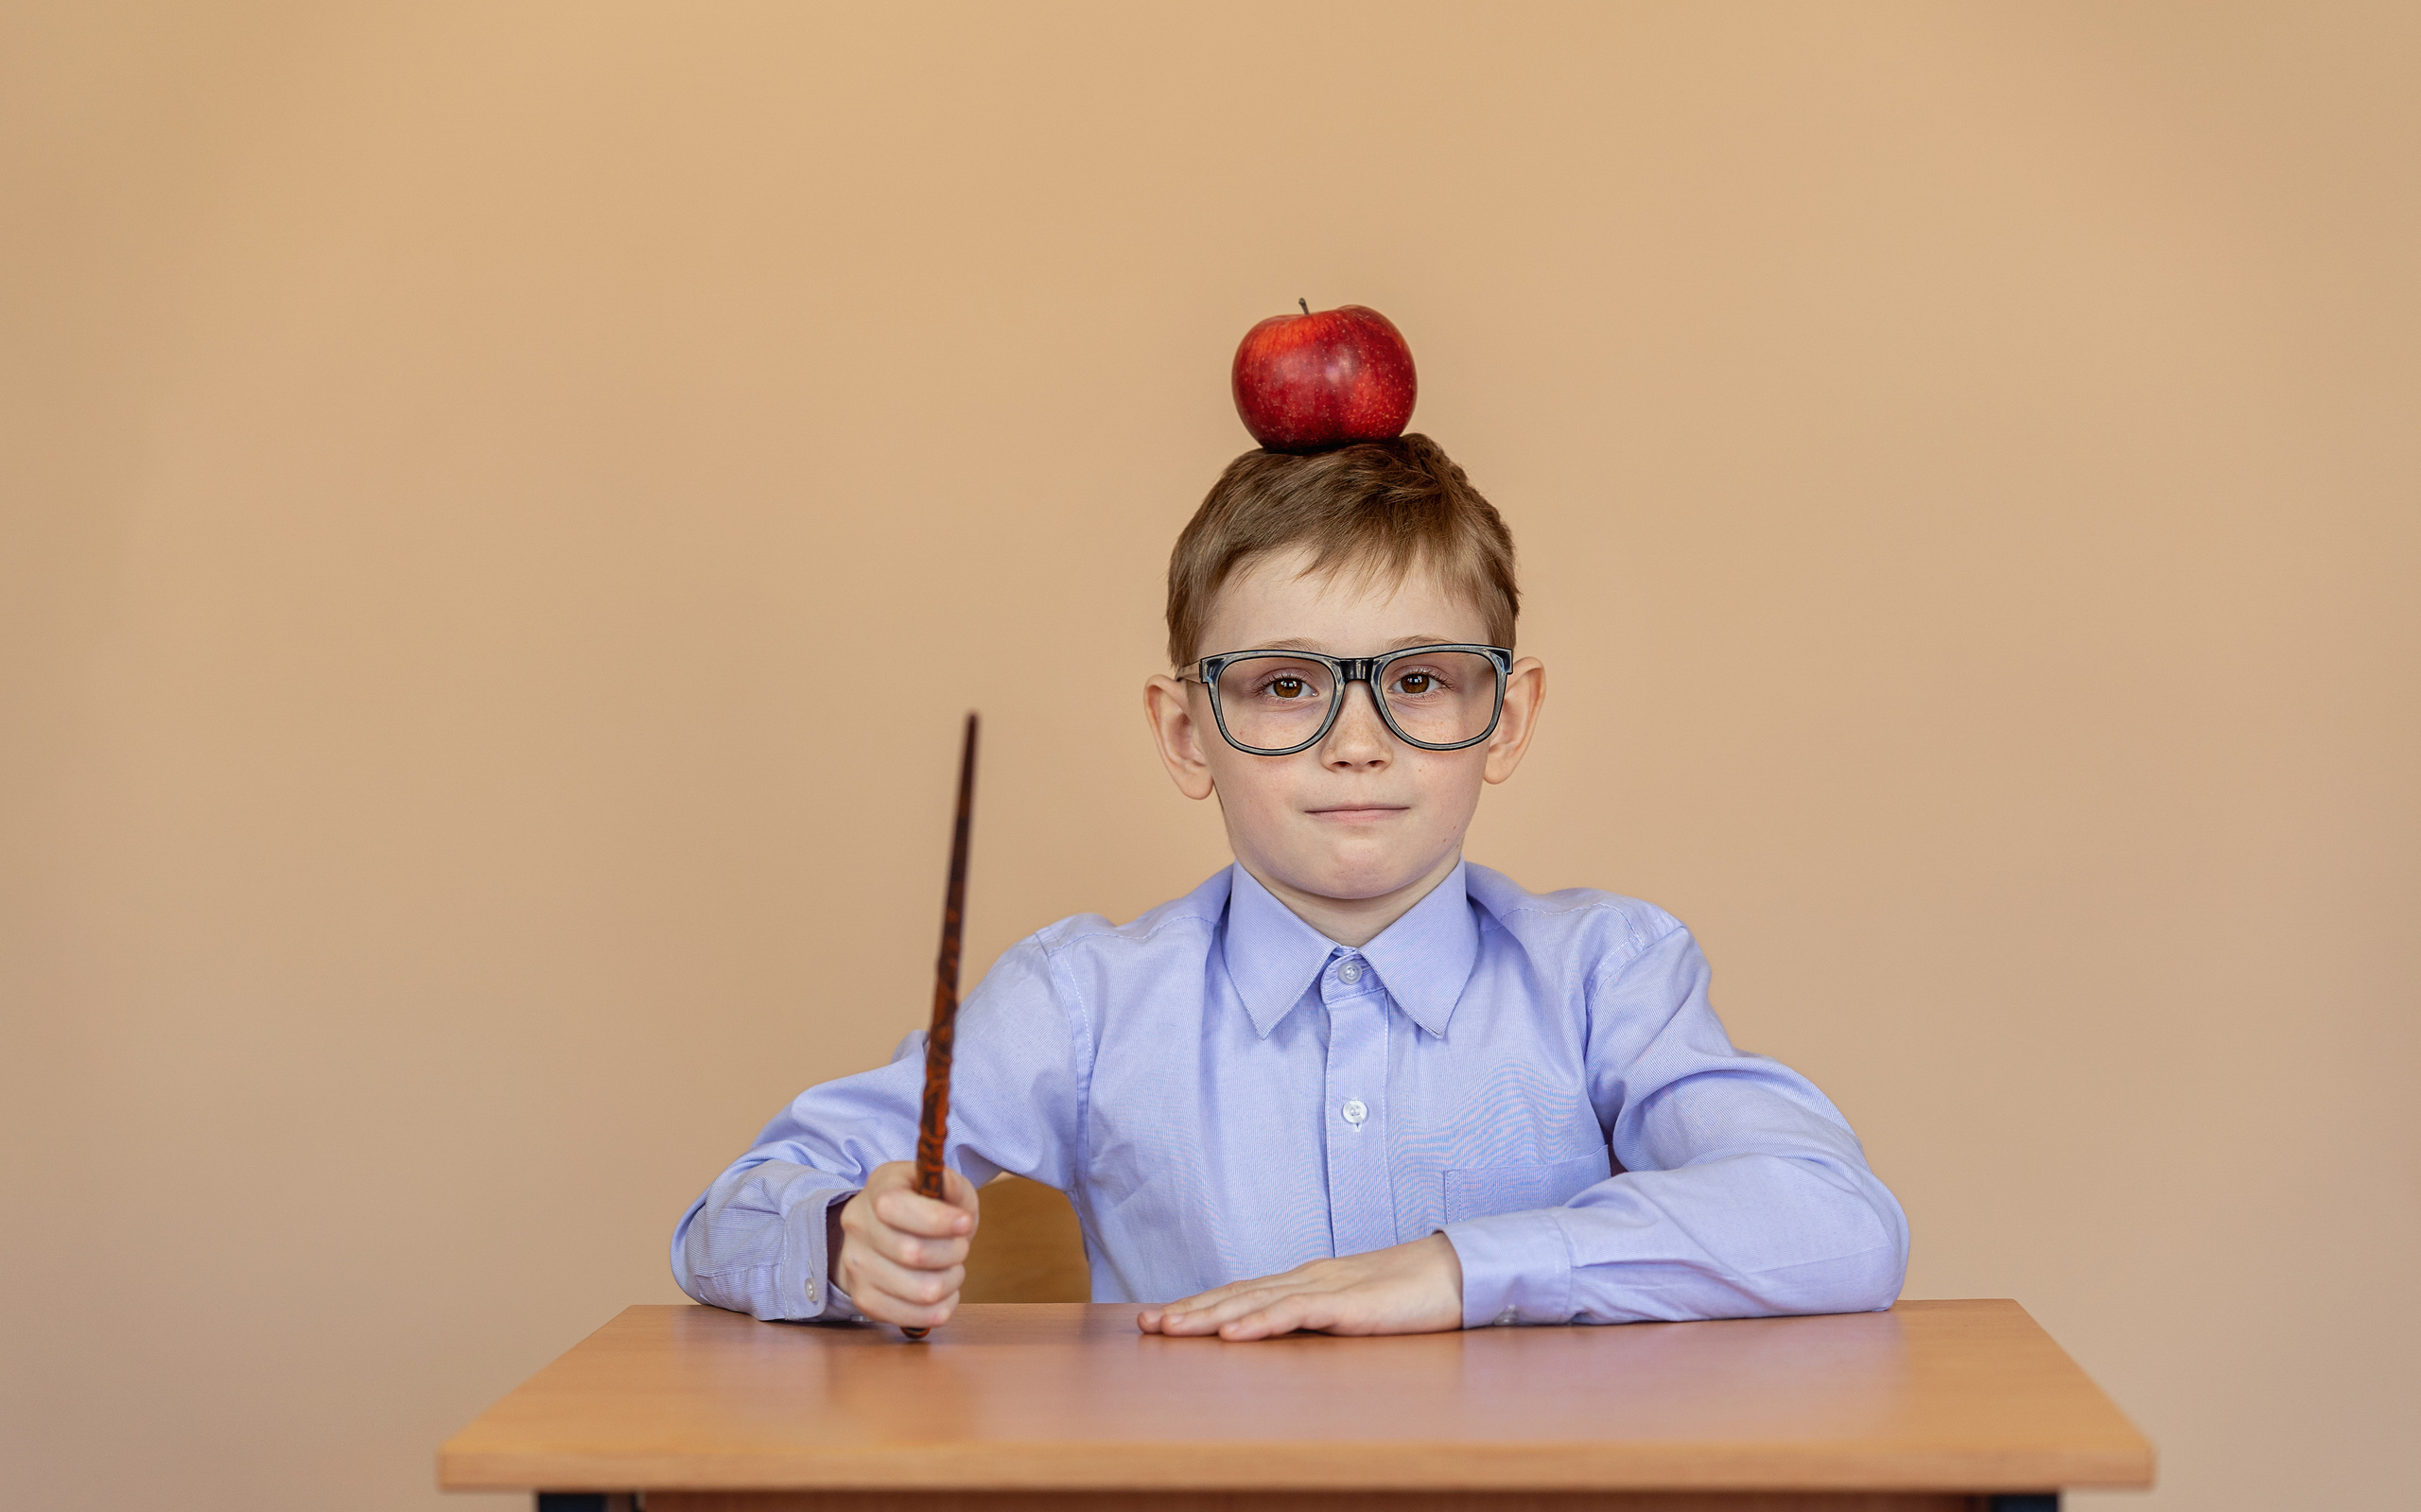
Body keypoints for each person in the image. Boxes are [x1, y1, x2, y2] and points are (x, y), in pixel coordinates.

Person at [671, 435, 1907, 1340]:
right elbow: (724, 1219)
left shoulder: (1606, 976)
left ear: (1508, 716)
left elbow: (1835, 1219)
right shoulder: (1084, 999)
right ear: (1184, 733)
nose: (1355, 743)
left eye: (1419, 681)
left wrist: (1458, 1270)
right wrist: (846, 1240)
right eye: (1283, 686)